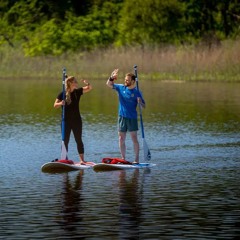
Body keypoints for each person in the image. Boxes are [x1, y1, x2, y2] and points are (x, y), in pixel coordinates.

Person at [106, 69, 145, 163]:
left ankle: (136, 159)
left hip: (132, 118)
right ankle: (123, 158)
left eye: (127, 80)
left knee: (134, 138)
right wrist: (111, 77)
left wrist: (140, 103)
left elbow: (143, 107)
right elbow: (108, 84)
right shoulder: (121, 88)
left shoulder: (137, 92)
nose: (125, 81)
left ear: (133, 81)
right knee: (121, 138)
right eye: (125, 80)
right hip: (122, 117)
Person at [54, 76, 92, 164]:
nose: (77, 83)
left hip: (77, 121)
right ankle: (64, 159)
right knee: (65, 141)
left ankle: (82, 160)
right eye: (75, 82)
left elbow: (89, 88)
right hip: (66, 121)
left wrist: (87, 83)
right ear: (70, 83)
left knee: (78, 139)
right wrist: (61, 103)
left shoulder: (77, 92)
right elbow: (55, 105)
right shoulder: (62, 94)